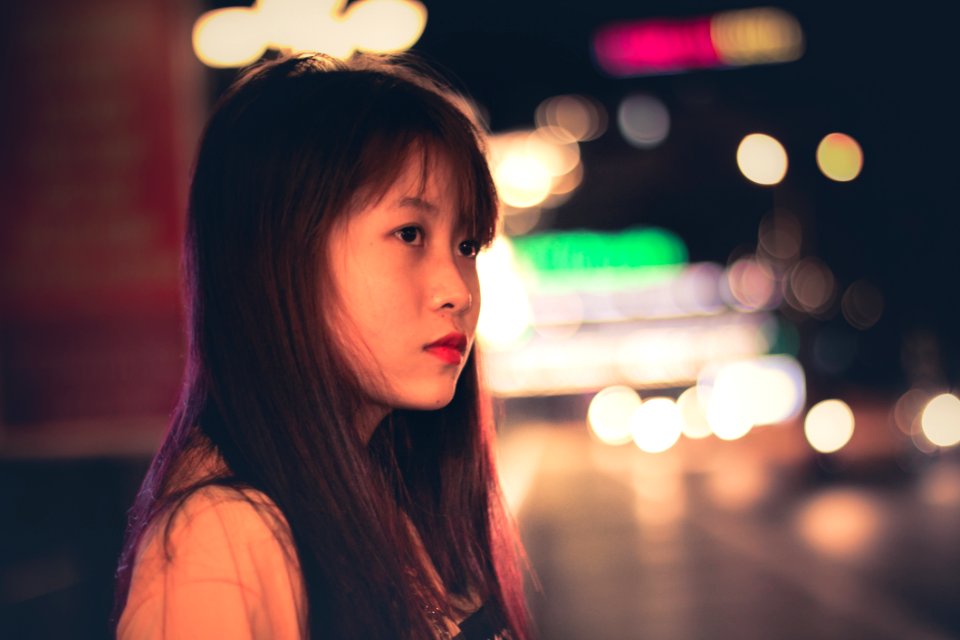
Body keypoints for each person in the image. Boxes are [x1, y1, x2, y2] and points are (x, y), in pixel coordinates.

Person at [112, 53, 531, 639]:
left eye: (467, 245)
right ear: (281, 257)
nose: (457, 290)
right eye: (410, 234)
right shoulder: (223, 537)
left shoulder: (378, 494)